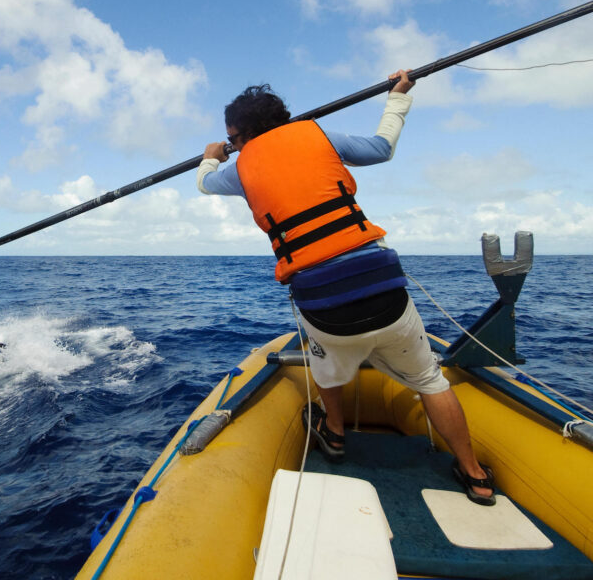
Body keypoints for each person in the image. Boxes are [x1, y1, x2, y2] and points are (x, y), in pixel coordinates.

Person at [196, 70, 497, 505]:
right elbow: (382, 148)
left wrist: (212, 156)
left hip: (324, 307)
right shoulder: (319, 134)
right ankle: (475, 476)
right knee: (429, 380)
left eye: (234, 139)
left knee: (325, 364)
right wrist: (398, 97)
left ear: (243, 135)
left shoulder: (240, 167)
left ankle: (334, 435)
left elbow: (204, 183)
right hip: (385, 291)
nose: (234, 146)